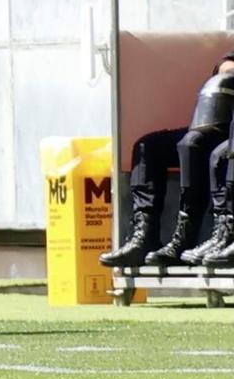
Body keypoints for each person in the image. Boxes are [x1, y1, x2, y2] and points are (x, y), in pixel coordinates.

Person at [100, 53, 234, 267]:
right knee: (149, 147)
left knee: (208, 150)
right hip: (220, 121)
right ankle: (145, 236)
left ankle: (203, 237)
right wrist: (228, 69)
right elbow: (226, 64)